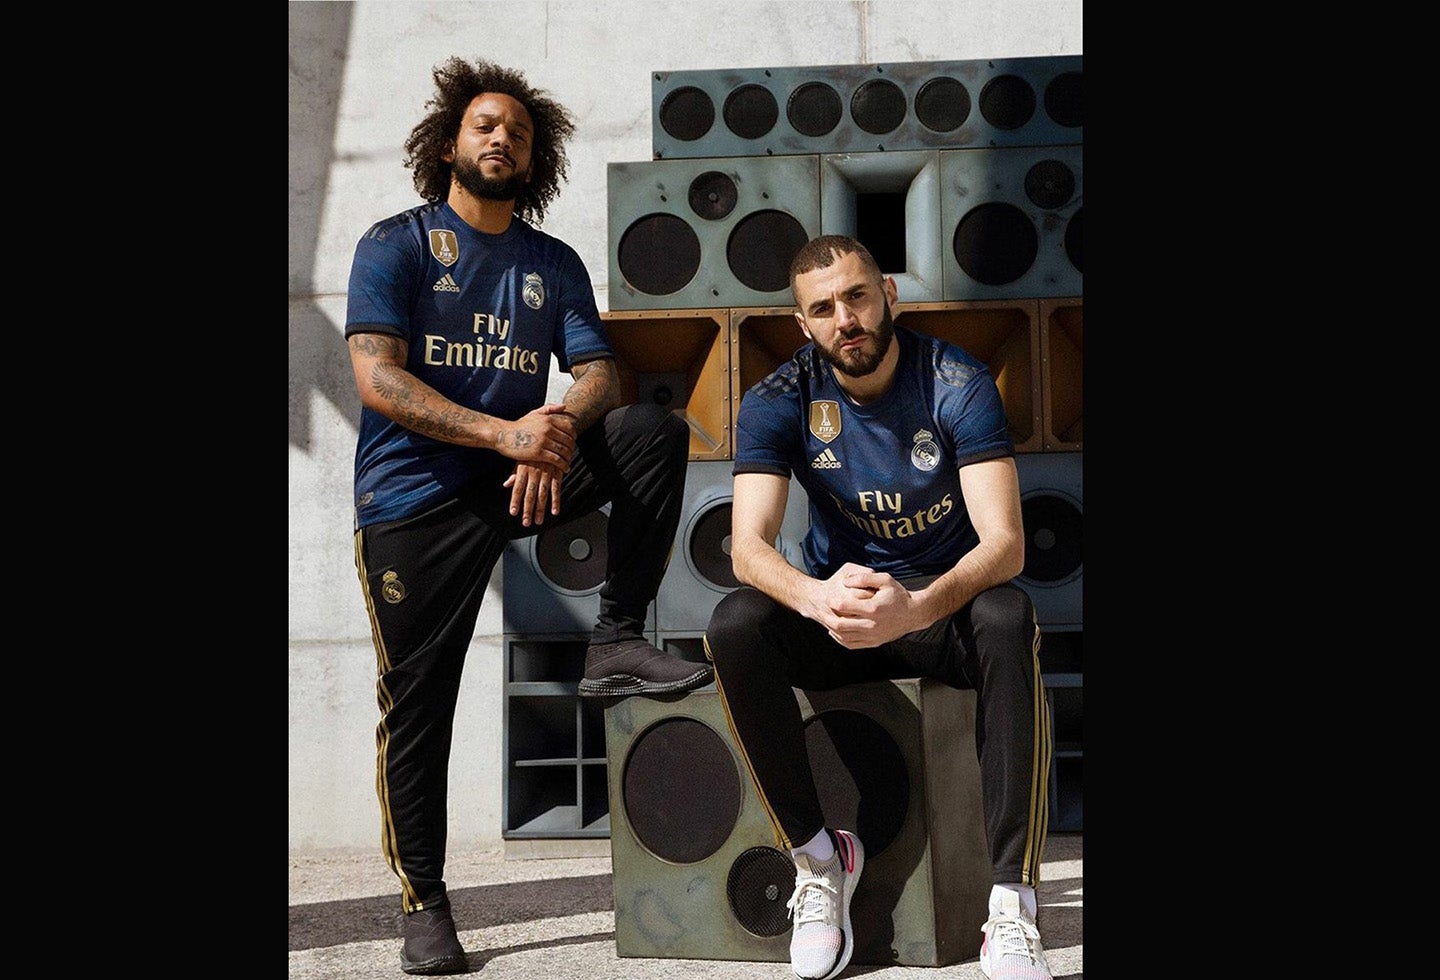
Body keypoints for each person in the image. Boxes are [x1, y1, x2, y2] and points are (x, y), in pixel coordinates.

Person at [345, 57, 712, 976]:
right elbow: (378, 378)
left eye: (518, 129)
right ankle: (424, 905)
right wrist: (505, 435)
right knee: (418, 708)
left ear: (535, 156)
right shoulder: (394, 243)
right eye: (483, 125)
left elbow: (600, 375)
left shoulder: (551, 263)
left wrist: (552, 429)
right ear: (447, 144)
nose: (501, 136)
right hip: (414, 502)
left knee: (648, 434)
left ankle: (616, 638)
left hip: (515, 473)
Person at [704, 234, 1054, 980]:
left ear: (888, 293)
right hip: (846, 616)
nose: (846, 319)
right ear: (804, 325)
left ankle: (1011, 901)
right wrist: (817, 596)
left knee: (1008, 616)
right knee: (735, 624)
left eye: (857, 297)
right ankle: (819, 861)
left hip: (937, 609)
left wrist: (922, 606)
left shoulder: (954, 381)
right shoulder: (777, 397)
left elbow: (1006, 543)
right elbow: (746, 547)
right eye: (823, 309)